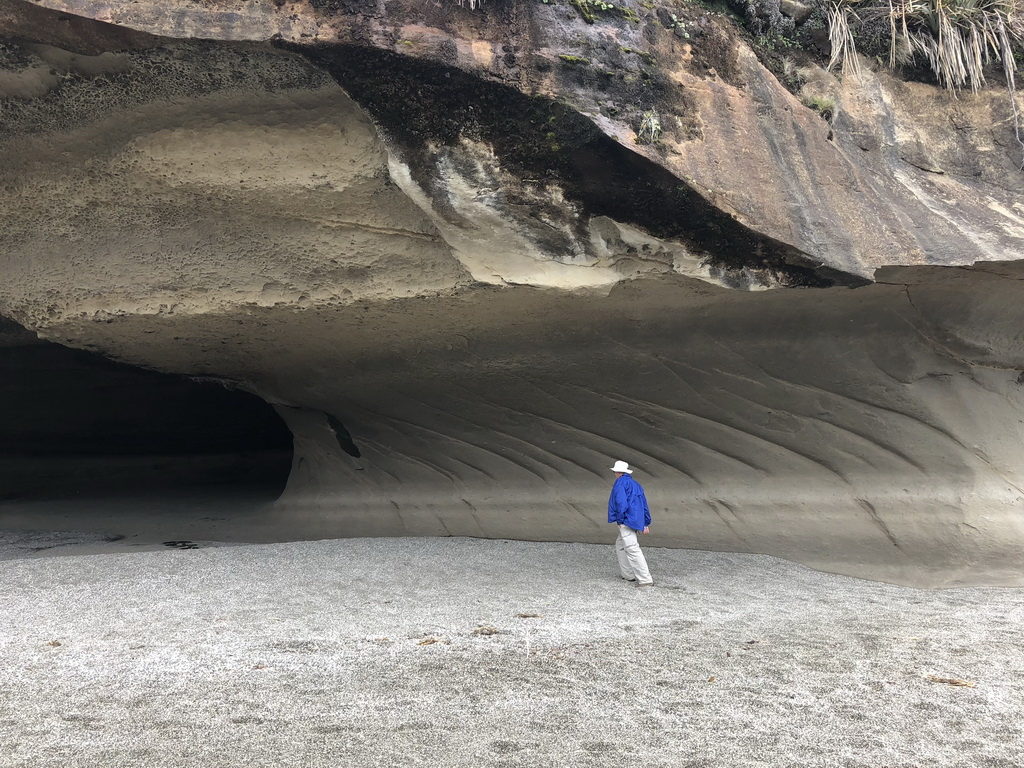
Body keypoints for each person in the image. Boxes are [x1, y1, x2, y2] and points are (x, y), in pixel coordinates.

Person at [607, 460, 654, 587]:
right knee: (620, 544)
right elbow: (644, 505)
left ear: (617, 472)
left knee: (632, 548)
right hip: (635, 520)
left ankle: (645, 579)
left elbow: (620, 503)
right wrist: (645, 522)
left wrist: (620, 519)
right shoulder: (636, 484)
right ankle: (628, 574)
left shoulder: (620, 483)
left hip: (626, 519)